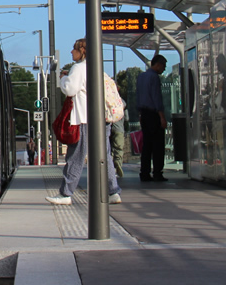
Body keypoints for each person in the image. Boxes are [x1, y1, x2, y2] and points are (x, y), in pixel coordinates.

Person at [46, 38, 121, 205]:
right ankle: (113, 191)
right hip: (102, 119)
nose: (71, 52)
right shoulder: (99, 69)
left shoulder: (78, 68)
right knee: (105, 155)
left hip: (84, 119)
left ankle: (65, 194)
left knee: (75, 156)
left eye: (74, 49)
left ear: (82, 52)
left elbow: (70, 89)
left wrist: (63, 79)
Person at [136, 53, 168, 182]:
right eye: (164, 66)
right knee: (158, 145)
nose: (164, 69)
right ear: (158, 64)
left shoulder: (141, 77)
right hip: (154, 114)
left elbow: (138, 96)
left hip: (144, 114)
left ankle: (144, 172)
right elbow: (156, 98)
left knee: (147, 145)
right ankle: (157, 172)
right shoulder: (154, 77)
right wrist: (162, 117)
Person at [110, 111, 125, 178]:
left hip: (108, 128)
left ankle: (110, 166)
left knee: (109, 149)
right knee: (118, 148)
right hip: (119, 129)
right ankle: (118, 162)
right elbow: (126, 118)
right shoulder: (122, 103)